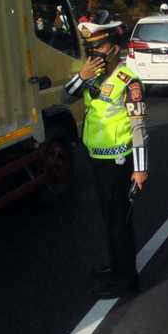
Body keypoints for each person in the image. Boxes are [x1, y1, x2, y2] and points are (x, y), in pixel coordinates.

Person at [62, 18, 148, 298]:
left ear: (113, 48)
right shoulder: (92, 77)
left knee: (119, 222)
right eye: (90, 48)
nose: (94, 54)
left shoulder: (128, 81)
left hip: (119, 162)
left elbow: (138, 127)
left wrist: (141, 169)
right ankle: (116, 267)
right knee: (108, 219)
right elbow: (66, 97)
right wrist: (82, 76)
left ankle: (127, 281)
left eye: (99, 47)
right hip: (97, 159)